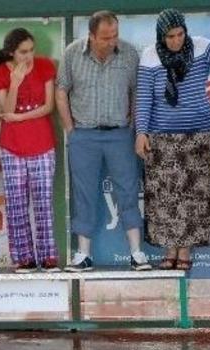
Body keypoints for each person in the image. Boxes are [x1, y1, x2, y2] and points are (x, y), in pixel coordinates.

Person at [134, 9, 210, 270]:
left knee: (192, 200)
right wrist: (141, 132)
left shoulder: (202, 47)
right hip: (162, 139)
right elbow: (144, 99)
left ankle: (184, 251)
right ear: (160, 36)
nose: (176, 40)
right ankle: (170, 249)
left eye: (179, 34)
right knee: (166, 199)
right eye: (170, 36)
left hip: (199, 137)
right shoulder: (150, 56)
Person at [56, 10, 151, 272]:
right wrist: (70, 129)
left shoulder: (130, 54)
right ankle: (83, 254)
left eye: (115, 36)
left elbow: (137, 92)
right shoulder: (73, 53)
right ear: (92, 36)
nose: (112, 42)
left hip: (120, 133)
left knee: (128, 190)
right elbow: (61, 90)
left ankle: (137, 253)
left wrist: (133, 127)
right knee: (84, 193)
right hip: (83, 134)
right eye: (106, 38)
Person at [0, 28, 61, 273]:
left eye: (31, 50)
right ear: (11, 52)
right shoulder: (0, 72)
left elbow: (48, 106)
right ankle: (23, 257)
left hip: (42, 143)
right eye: (23, 52)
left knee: (43, 201)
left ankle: (48, 255)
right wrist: (15, 82)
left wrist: (19, 117)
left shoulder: (44, 66)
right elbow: (5, 109)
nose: (28, 56)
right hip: (12, 146)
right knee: (16, 204)